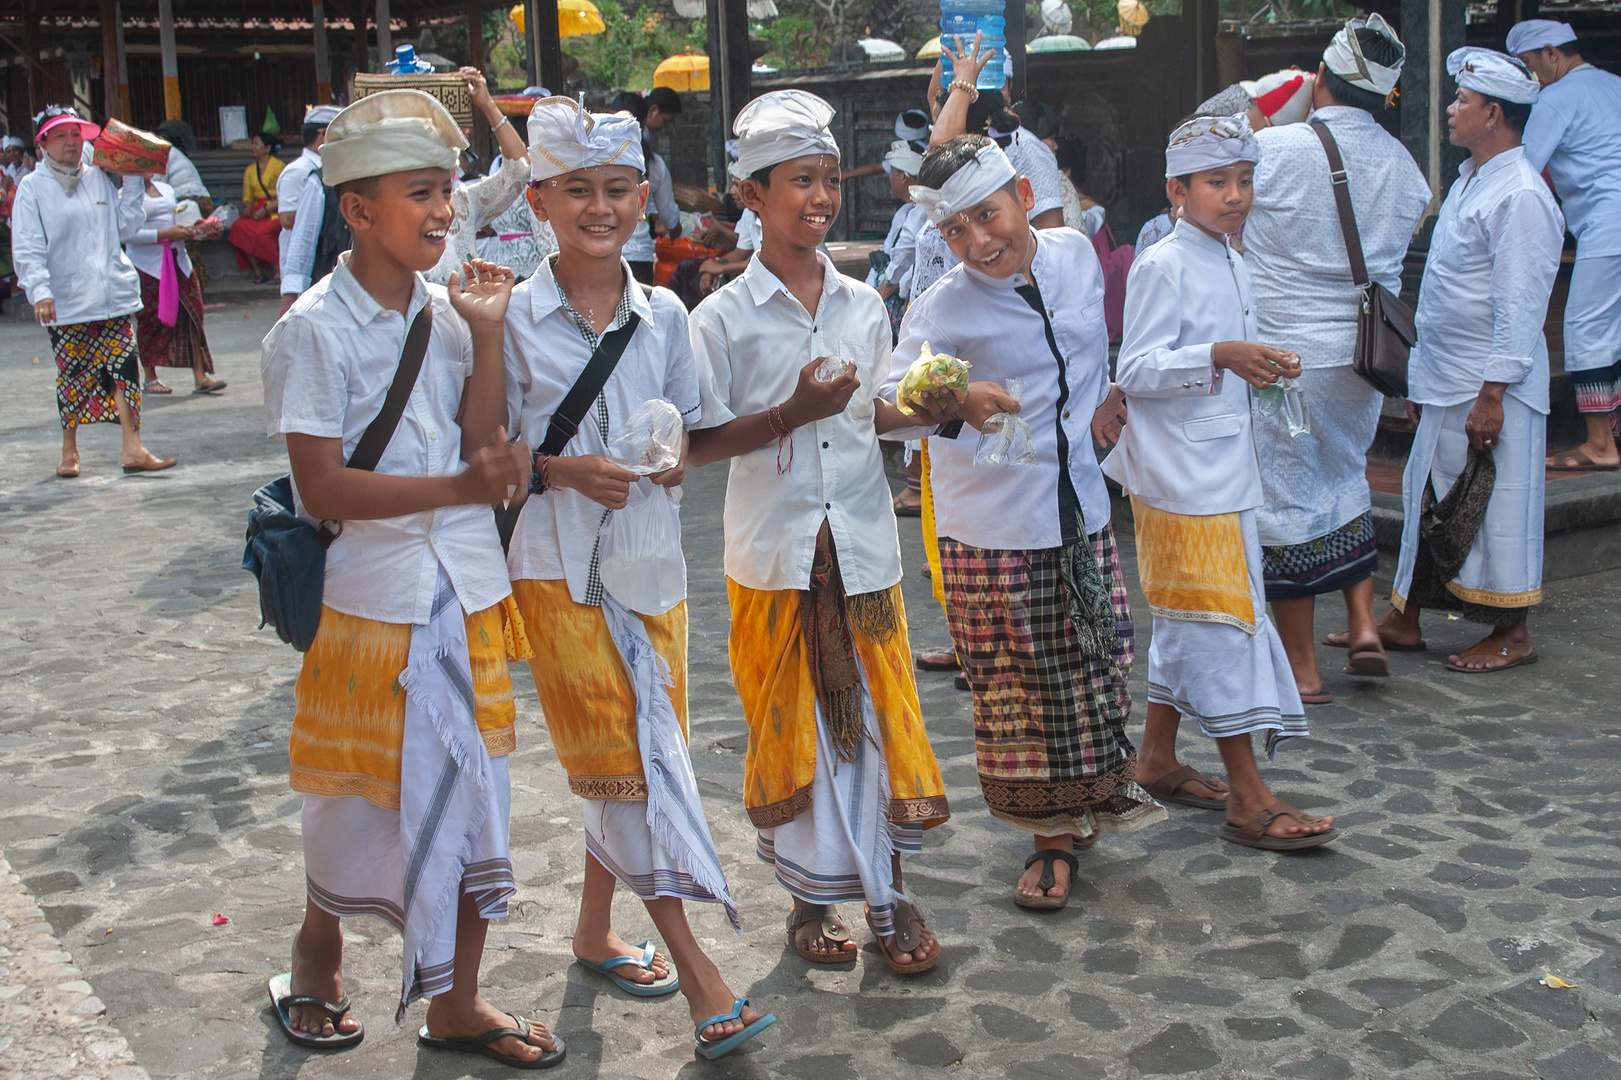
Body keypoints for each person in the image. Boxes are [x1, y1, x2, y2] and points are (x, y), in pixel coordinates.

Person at [258, 88, 555, 1065]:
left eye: (447, 191)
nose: (442, 211)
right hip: (370, 606)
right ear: (355, 208)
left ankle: (456, 1002)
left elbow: (485, 449)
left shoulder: (450, 307)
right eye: (420, 193)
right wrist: (462, 484)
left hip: (469, 601)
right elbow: (319, 486)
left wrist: (480, 339)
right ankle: (317, 954)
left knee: (474, 804)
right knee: (348, 798)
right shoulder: (315, 328)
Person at [503, 97, 774, 1060]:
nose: (601, 207)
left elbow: (692, 437)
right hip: (553, 571)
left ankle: (590, 929)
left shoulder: (665, 314)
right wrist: (558, 468)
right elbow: (480, 464)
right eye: (577, 190)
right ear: (539, 200)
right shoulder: (503, 317)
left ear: (641, 198)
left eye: (617, 188)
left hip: (653, 567)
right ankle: (702, 973)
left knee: (638, 758)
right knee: (628, 771)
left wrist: (676, 459)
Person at [687, 90, 950, 974]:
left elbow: (870, 413)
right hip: (774, 554)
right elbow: (695, 444)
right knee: (793, 724)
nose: (821, 198)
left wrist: (927, 407)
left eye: (830, 180)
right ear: (751, 196)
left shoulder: (862, 303)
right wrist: (790, 413)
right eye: (800, 181)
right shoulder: (719, 319)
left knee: (876, 717)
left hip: (865, 549)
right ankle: (809, 899)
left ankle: (888, 895)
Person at [883, 135, 1165, 906]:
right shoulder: (944, 307)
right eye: (954, 230)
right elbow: (885, 402)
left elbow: (1090, 349)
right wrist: (951, 401)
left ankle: (1094, 800)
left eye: (988, 215)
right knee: (1020, 684)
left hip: (1080, 505)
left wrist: (1104, 399)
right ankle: (1047, 836)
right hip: (994, 527)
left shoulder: (1073, 254)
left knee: (1096, 660)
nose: (977, 241)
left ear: (1020, 193)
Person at [1102, 113, 1338, 851]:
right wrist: (1220, 353)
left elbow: (1214, 361)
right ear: (1176, 190)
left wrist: (1256, 363)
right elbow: (1135, 370)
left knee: (1189, 619)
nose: (1233, 195)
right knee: (1222, 624)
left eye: (1242, 181)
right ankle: (1246, 794)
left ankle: (1157, 757)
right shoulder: (1163, 262)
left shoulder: (1232, 260)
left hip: (1222, 469)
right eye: (1216, 183)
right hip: (1180, 479)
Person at [1240, 13, 1431, 703]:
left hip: (1286, 354)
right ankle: (1360, 625)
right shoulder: (1405, 166)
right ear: (1381, 96)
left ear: (1318, 78)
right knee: (1345, 479)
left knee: (1285, 501)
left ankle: (1301, 667)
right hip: (1363, 355)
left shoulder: (1276, 150)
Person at [1382, 49, 1563, 673]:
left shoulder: (1521, 194)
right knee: (1424, 492)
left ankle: (1511, 631)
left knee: (1497, 504)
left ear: (1492, 113)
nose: (1451, 111)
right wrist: (1424, 378)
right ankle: (1404, 617)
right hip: (1447, 375)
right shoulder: (1470, 179)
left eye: (1462, 102)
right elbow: (1446, 288)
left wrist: (1493, 394)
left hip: (1492, 384)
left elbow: (1520, 306)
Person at [12, 105, 174, 479]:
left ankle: (132, 448)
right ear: (43, 145)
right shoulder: (33, 189)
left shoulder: (99, 176)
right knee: (73, 376)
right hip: (67, 302)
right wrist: (40, 291)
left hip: (113, 297)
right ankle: (69, 451)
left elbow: (126, 225)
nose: (70, 142)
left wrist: (133, 179)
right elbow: (28, 246)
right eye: (60, 135)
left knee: (125, 371)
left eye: (75, 134)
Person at [1506, 19, 1621, 471]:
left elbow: (1524, 168)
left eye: (1531, 64)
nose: (1531, 76)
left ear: (1553, 53)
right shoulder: (1614, 85)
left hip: (1607, 226)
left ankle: (1599, 445)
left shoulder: (1555, 98)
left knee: (1586, 329)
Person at [125, 165, 225, 395]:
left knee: (193, 314)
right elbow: (125, 233)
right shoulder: (123, 198)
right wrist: (164, 235)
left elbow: (182, 217)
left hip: (178, 260)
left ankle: (200, 376)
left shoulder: (166, 189)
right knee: (149, 318)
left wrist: (197, 228)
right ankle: (150, 378)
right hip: (146, 266)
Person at [612, 87, 684, 285]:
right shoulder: (654, 164)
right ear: (644, 123)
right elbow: (669, 215)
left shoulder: (598, 164)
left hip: (606, 252)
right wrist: (675, 229)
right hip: (639, 256)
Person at [276, 104, 339, 277]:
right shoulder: (298, 171)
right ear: (324, 135)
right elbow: (287, 219)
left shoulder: (332, 167)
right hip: (306, 262)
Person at [229, 131, 285, 284]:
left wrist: (266, 210)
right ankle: (257, 270)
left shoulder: (279, 166)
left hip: (275, 211)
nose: (252, 147)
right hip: (256, 210)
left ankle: (278, 271)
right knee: (238, 229)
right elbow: (247, 196)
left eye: (256, 144)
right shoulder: (249, 170)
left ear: (267, 148)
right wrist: (247, 207)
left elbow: (284, 195)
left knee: (262, 233)